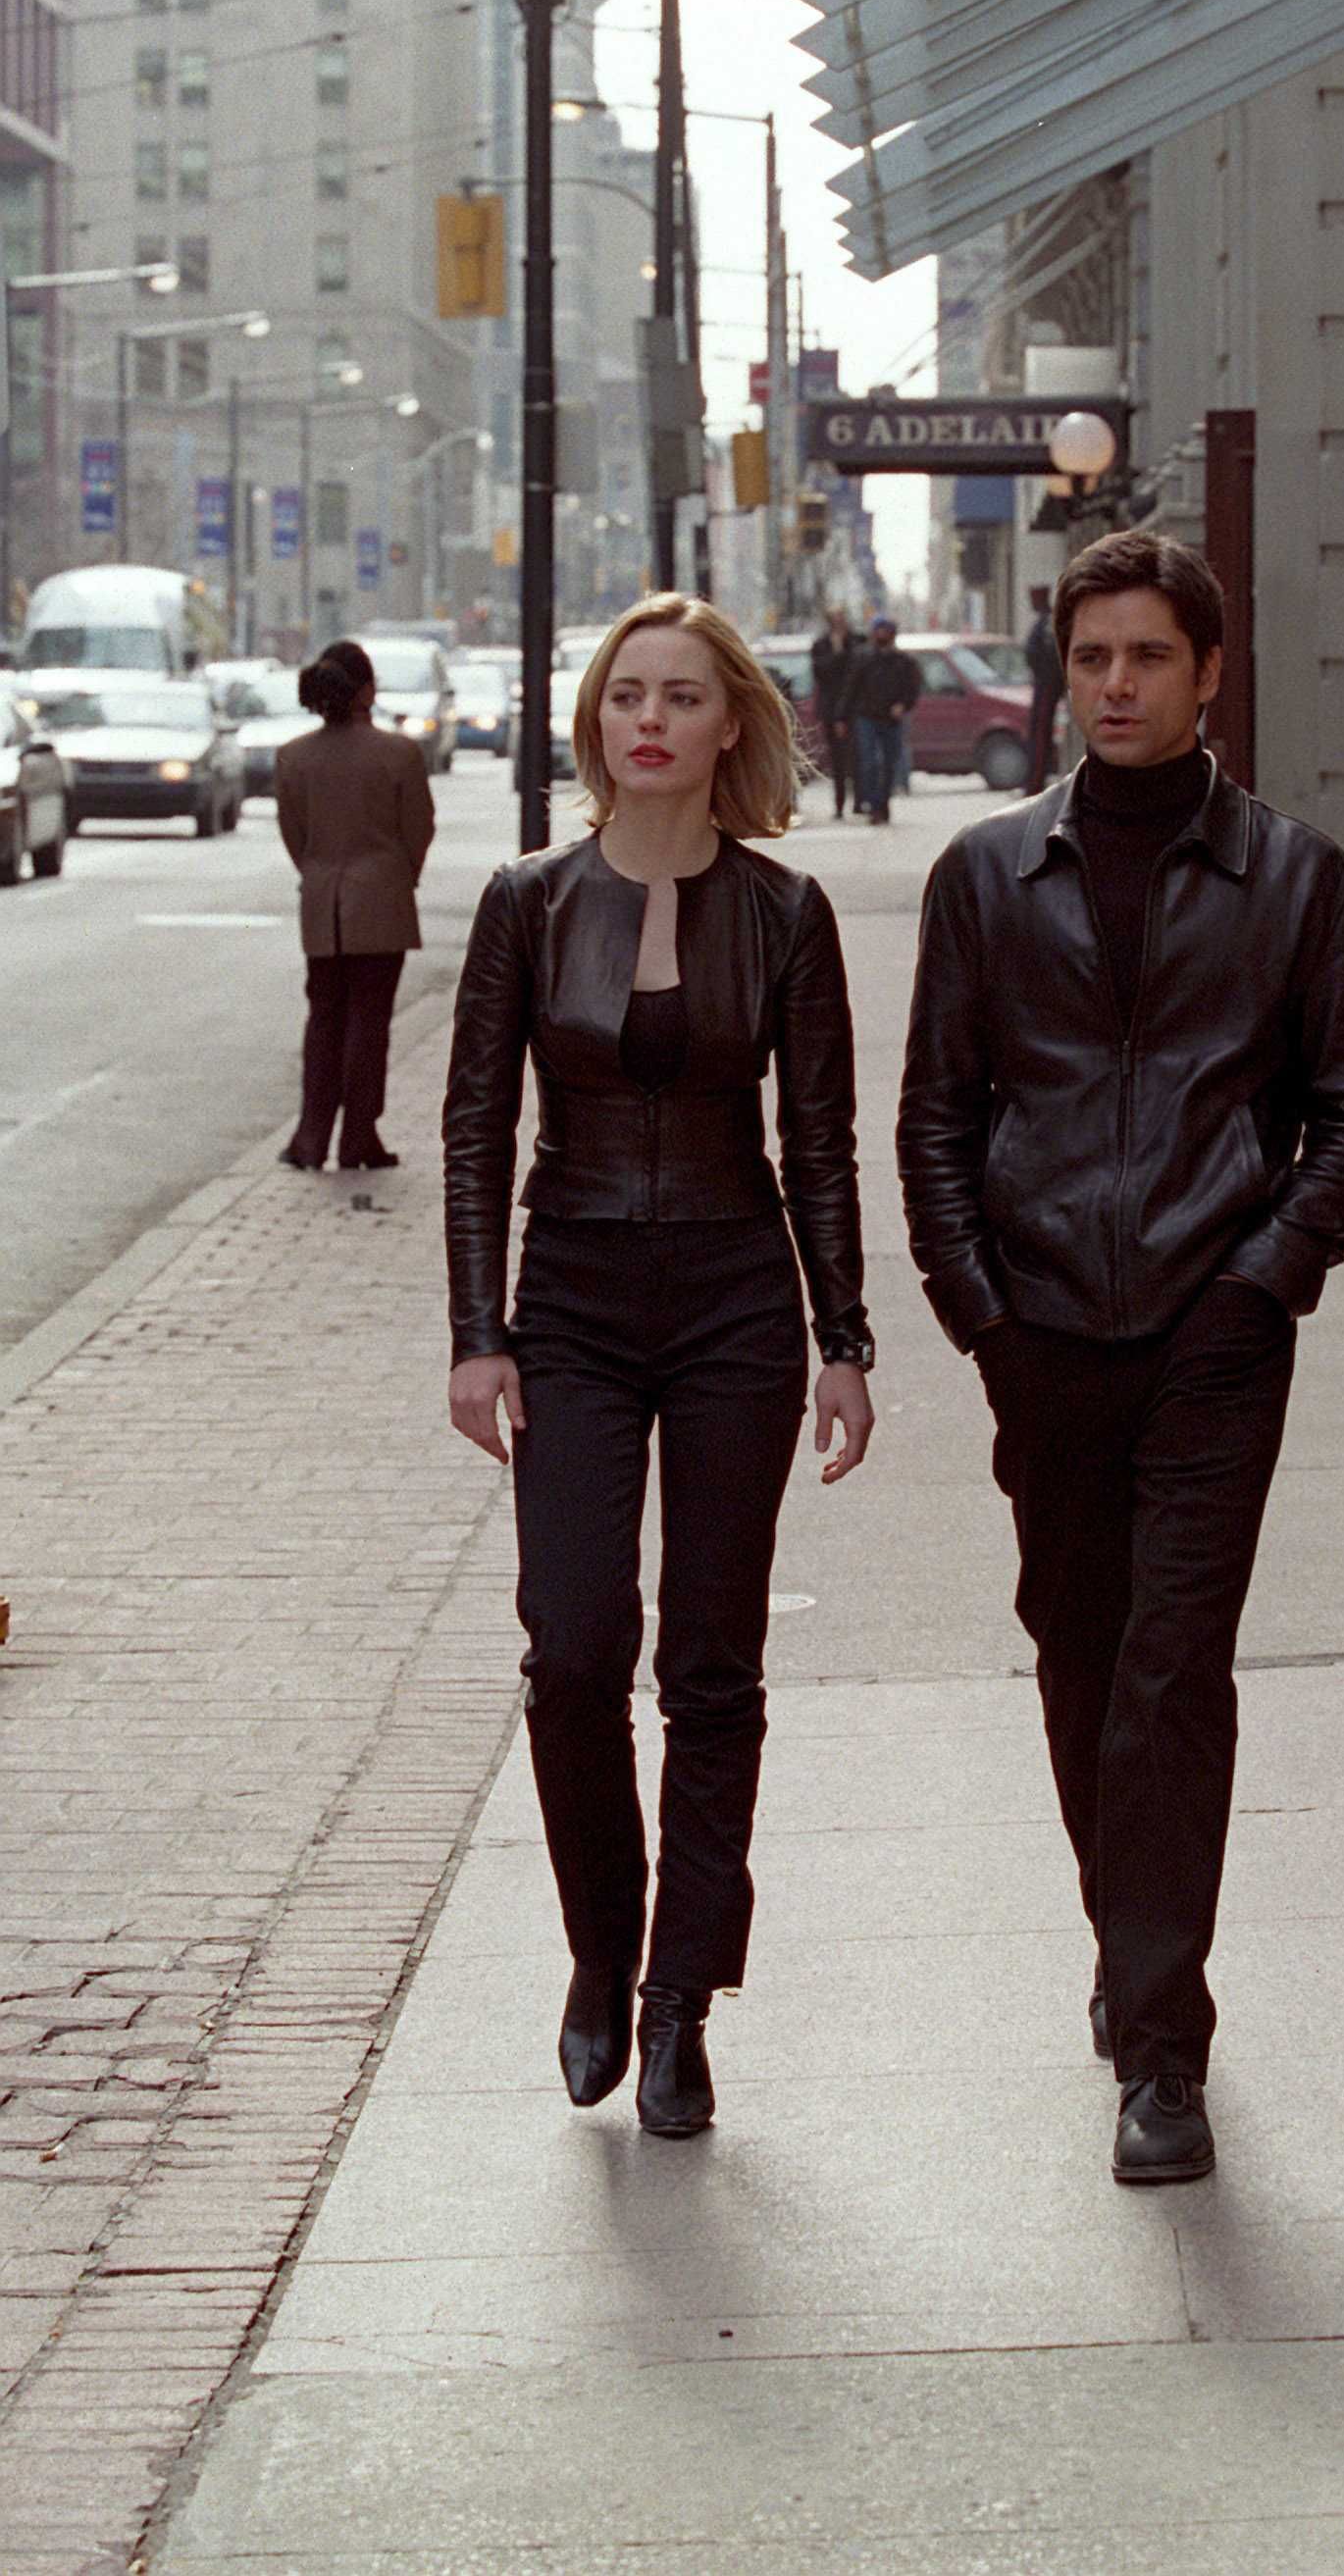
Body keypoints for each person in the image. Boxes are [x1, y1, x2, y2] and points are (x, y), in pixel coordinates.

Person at [897, 528, 1344, 2186]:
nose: (1116, 686)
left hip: (1213, 1332)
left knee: (1174, 1671)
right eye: (1092, 658)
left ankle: (1161, 2049)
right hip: (1041, 1331)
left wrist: (1265, 1281)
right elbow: (936, 1116)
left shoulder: (1298, 881)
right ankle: (1132, 1958)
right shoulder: (986, 878)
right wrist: (978, 1310)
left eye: (1148, 658)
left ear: (1209, 675)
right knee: (1081, 1656)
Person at [442, 592, 876, 2139]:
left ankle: (680, 1998)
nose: (650, 718)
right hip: (568, 1298)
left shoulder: (785, 913)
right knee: (572, 1648)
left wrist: (844, 1339)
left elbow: (816, 1141)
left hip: (733, 1302)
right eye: (628, 693)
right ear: (596, 721)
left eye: (683, 696)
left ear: (727, 724)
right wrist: (477, 1333)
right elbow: (476, 1127)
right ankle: (599, 1948)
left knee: (710, 1661)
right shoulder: (528, 901)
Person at [275, 638, 437, 1172]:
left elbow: (294, 835)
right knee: (370, 1022)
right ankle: (359, 1137)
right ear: (367, 690)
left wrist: (319, 874)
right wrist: (400, 875)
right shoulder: (400, 754)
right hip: (382, 902)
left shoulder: (293, 757)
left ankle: (310, 1137)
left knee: (323, 1019)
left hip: (322, 904)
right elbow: (419, 827)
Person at [844, 616, 921, 825]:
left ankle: (883, 803)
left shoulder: (904, 661)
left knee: (889, 764)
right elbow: (851, 688)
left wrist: (903, 705)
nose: (882, 635)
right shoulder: (863, 658)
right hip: (866, 717)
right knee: (869, 763)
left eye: (886, 631)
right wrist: (842, 717)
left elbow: (912, 689)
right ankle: (873, 805)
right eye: (879, 631)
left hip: (891, 720)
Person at [808, 603, 862, 822]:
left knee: (858, 757)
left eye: (842, 617)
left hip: (855, 708)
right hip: (831, 709)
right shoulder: (821, 645)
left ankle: (859, 802)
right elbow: (821, 672)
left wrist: (844, 648)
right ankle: (839, 805)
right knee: (837, 760)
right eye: (835, 618)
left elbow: (858, 669)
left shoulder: (856, 641)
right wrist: (837, 652)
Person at [1023, 587, 1064, 794]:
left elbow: (1045, 656)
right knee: (1038, 735)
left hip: (1046, 686)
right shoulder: (1044, 622)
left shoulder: (1047, 623)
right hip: (1044, 684)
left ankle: (1035, 783)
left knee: (1040, 735)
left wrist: (1046, 677)